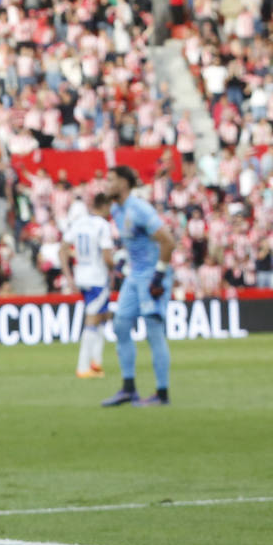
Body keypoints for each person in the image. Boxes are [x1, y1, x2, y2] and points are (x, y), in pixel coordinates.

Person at [102, 166, 175, 407]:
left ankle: (162, 394)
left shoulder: (140, 209)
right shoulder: (116, 209)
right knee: (121, 325)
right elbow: (133, 241)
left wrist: (159, 276)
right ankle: (128, 389)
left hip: (152, 275)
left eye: (110, 180)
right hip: (134, 275)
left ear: (124, 183)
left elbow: (168, 241)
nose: (106, 184)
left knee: (153, 331)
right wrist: (123, 259)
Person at [60, 191, 114, 380]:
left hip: (81, 276)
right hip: (97, 278)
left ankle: (95, 363)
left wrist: (68, 276)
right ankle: (83, 367)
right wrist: (114, 269)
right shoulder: (103, 226)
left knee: (100, 317)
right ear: (106, 206)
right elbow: (107, 256)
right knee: (92, 320)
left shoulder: (79, 222)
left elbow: (62, 249)